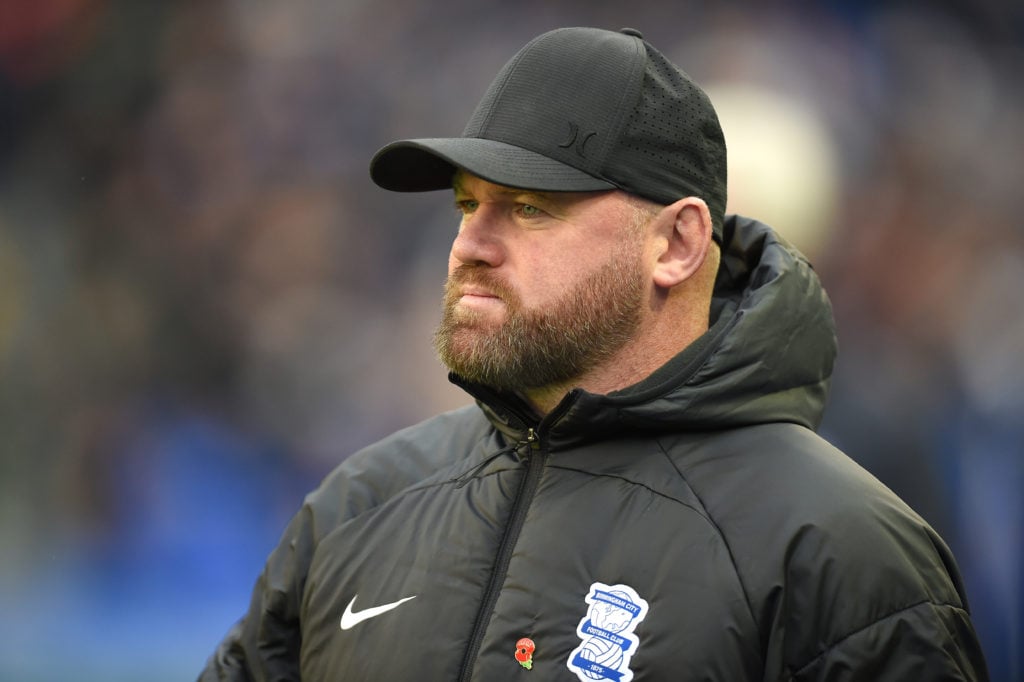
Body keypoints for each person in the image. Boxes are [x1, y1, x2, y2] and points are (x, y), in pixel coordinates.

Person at [198, 27, 989, 681]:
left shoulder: (841, 550)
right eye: (468, 204)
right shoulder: (358, 506)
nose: (469, 246)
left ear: (677, 244)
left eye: (530, 209)